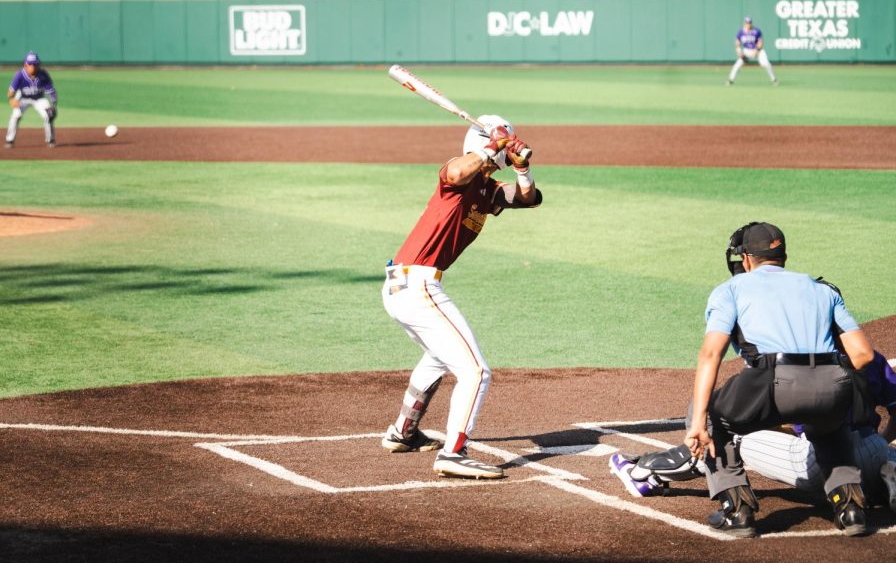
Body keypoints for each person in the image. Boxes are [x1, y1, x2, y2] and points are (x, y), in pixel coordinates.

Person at [683, 222, 876, 537]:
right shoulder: (822, 289)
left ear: (746, 259)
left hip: (772, 382)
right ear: (782, 255)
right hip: (832, 381)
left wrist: (698, 423)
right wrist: (823, 384)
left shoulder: (731, 289)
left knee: (705, 412)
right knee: (830, 428)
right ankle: (851, 508)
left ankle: (738, 511)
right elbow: (864, 355)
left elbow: (710, 354)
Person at [380, 115, 541, 479]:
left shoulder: (488, 189)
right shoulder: (456, 175)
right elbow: (456, 173)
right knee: (476, 371)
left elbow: (529, 199)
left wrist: (522, 167)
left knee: (439, 357)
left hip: (406, 286)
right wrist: (495, 145)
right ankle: (454, 453)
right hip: (417, 284)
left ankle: (403, 432)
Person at [609, 349, 896, 513]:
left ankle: (647, 472)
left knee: (721, 427)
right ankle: (883, 476)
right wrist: (880, 442)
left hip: (819, 464)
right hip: (876, 450)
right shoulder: (870, 355)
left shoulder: (798, 364)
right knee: (868, 455)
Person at [6, 52, 58, 148]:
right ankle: (10, 140)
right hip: (23, 98)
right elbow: (10, 92)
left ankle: (50, 139)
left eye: (35, 63)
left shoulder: (43, 74)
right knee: (15, 116)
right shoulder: (20, 75)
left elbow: (51, 91)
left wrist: (53, 105)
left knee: (48, 115)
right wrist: (11, 99)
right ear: (25, 64)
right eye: (30, 63)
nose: (33, 66)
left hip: (39, 98)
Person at [726, 17, 778, 86]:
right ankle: (731, 80)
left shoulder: (756, 31)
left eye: (749, 23)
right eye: (747, 23)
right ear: (744, 23)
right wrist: (738, 50)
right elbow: (737, 42)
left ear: (751, 23)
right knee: (737, 65)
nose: (748, 24)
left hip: (758, 51)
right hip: (747, 51)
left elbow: (760, 42)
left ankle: (773, 79)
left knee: (766, 63)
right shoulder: (741, 32)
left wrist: (756, 50)